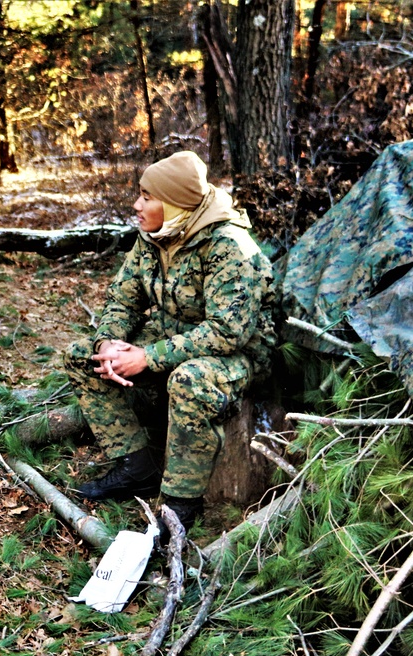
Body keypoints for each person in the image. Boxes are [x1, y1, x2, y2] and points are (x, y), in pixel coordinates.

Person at [64, 151, 276, 538]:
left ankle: (181, 502)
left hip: (237, 354)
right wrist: (110, 342)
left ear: (175, 202)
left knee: (189, 379)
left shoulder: (228, 245)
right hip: (170, 336)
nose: (137, 204)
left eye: (147, 196)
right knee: (84, 357)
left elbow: (229, 331)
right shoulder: (155, 236)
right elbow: (123, 299)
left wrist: (149, 357)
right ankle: (136, 467)